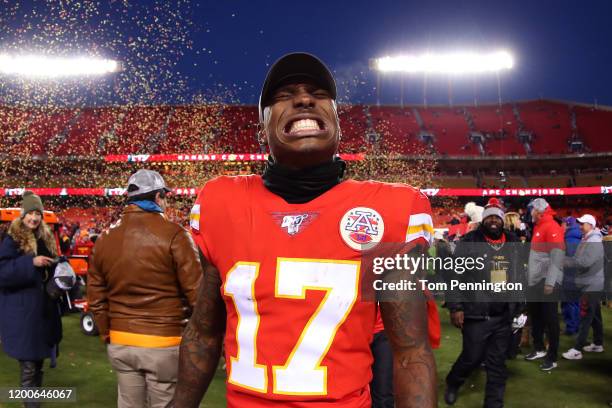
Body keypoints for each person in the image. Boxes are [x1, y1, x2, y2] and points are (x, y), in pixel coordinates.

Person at [175, 52, 437, 408]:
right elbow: (204, 334)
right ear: (261, 130)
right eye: (284, 95)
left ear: (338, 124)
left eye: (318, 92)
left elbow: (409, 352)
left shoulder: (390, 208)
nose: (303, 99)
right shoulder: (221, 202)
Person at [88, 169, 202, 408]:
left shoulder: (105, 238)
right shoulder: (176, 235)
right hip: (163, 342)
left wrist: (106, 332)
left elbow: (96, 296)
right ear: (158, 197)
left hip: (121, 341)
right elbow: (197, 295)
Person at [445, 198, 524, 407]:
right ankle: (453, 382)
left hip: (503, 315)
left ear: (502, 220)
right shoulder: (469, 241)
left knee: (497, 365)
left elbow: (519, 276)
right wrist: (456, 307)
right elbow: (455, 276)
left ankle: (493, 404)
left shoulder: (514, 241)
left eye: (496, 217)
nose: (493, 221)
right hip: (476, 313)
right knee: (472, 357)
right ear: (483, 219)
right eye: (489, 216)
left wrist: (520, 308)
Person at [0, 192, 60, 406]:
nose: (34, 218)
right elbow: (3, 272)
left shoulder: (46, 238)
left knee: (38, 366)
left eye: (37, 214)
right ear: (23, 214)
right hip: (23, 313)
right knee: (29, 368)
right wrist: (30, 264)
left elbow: (51, 268)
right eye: (30, 213)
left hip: (43, 312)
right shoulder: (12, 238)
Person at [524, 198, 564, 371]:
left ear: (538, 211)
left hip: (547, 281)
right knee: (536, 316)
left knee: (550, 319)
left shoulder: (551, 226)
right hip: (536, 281)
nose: (529, 212)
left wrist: (550, 281)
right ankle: (539, 348)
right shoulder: (539, 226)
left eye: (531, 210)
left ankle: (552, 357)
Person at [561, 214, 605, 359]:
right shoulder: (587, 238)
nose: (580, 226)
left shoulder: (593, 240)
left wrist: (565, 262)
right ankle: (598, 343)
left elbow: (585, 262)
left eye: (583, 224)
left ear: (590, 225)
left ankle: (577, 350)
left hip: (591, 283)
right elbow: (579, 259)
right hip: (591, 282)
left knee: (586, 315)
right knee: (595, 315)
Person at [561, 217, 582, 335]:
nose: (561, 226)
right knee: (575, 302)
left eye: (563, 223)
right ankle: (575, 326)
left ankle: (572, 328)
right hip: (576, 275)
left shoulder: (570, 238)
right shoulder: (576, 235)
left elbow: (570, 260)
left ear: (567, 224)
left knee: (571, 302)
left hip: (570, 275)